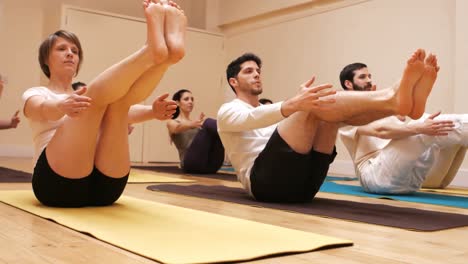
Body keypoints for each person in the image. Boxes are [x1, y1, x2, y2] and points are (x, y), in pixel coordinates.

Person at [21, 0, 186, 207]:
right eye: (61, 49)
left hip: (105, 188)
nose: (70, 53)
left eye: (75, 50)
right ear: (45, 60)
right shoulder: (37, 92)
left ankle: (167, 58)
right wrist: (60, 107)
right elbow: (39, 109)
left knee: (117, 103)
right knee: (92, 100)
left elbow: (127, 111)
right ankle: (151, 53)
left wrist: (152, 111)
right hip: (56, 186)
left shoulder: (90, 95)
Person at [218, 50, 433, 203]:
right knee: (311, 105)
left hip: (306, 187)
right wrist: (297, 105)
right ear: (233, 82)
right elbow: (253, 118)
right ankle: (391, 98)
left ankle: (397, 107)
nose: (256, 74)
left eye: (258, 70)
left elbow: (276, 117)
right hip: (265, 185)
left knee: (330, 116)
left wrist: (298, 106)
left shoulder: (275, 110)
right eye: (248, 71)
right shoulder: (227, 111)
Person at [339, 61, 468, 194]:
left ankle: (415, 88)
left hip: (411, 181)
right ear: (348, 84)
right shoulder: (345, 113)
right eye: (362, 77)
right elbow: (381, 131)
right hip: (375, 177)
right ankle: (409, 83)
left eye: (369, 76)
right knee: (425, 124)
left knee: (437, 127)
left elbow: (408, 113)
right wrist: (420, 128)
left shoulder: (380, 108)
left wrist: (376, 104)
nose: (369, 80)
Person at [166, 89, 225, 173]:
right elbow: (176, 128)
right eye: (186, 99)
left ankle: (233, 132)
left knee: (215, 132)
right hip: (191, 164)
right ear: (178, 103)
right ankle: (236, 132)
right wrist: (193, 124)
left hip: (211, 165)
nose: (190, 102)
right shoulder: (172, 122)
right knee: (207, 122)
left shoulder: (196, 123)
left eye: (192, 99)